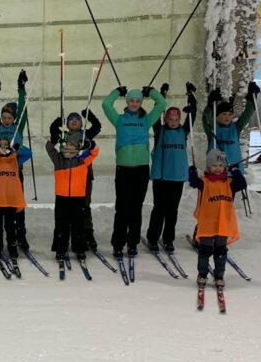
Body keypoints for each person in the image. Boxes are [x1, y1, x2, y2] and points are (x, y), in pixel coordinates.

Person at [102, 84, 166, 258]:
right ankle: (118, 243)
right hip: (123, 169)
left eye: (138, 100)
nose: (135, 103)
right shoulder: (119, 119)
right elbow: (106, 105)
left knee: (136, 209)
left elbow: (161, 104)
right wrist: (117, 92)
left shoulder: (146, 120)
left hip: (141, 169)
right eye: (131, 100)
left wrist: (151, 92)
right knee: (122, 208)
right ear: (127, 101)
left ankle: (132, 243)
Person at [146, 83, 197, 252]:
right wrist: (162, 94)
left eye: (176, 119)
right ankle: (153, 238)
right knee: (159, 209)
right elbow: (157, 112)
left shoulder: (183, 132)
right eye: (170, 119)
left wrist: (191, 99)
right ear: (166, 119)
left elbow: (193, 116)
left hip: (177, 177)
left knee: (172, 211)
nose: (173, 122)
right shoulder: (160, 131)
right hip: (161, 177)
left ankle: (168, 239)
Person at [188, 149, 246, 287]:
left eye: (221, 165)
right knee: (205, 250)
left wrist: (236, 171)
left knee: (220, 250)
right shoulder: (204, 182)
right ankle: (202, 274)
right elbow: (193, 182)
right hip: (207, 222)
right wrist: (191, 173)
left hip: (223, 223)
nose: (218, 168)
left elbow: (242, 184)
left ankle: (219, 275)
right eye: (214, 165)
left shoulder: (229, 183)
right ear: (209, 167)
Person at [0, 70, 30, 249]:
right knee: (0, 205)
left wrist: (21, 88)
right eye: (4, 117)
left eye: (9, 118)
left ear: (14, 118)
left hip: (15, 172)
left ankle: (20, 234)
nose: (6, 120)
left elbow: (23, 109)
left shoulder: (18, 126)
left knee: (17, 205)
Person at [45, 131, 99, 263]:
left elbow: (95, 151)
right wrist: (53, 139)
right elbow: (49, 148)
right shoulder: (58, 160)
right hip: (62, 198)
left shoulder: (82, 161)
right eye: (66, 145)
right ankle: (60, 249)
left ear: (78, 148)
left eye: (72, 145)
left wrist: (89, 144)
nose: (68, 147)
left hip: (78, 198)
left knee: (78, 225)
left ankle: (79, 248)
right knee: (61, 224)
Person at [61, 106, 101, 250]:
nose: (74, 121)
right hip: (67, 177)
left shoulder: (86, 135)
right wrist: (57, 122)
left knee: (84, 206)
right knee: (69, 207)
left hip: (84, 177)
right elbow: (53, 136)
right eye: (71, 120)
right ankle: (72, 232)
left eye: (77, 120)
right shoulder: (63, 136)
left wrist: (89, 115)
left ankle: (88, 232)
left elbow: (97, 126)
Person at [202, 82, 259, 174]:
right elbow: (206, 117)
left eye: (229, 114)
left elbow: (247, 114)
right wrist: (210, 104)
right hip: (216, 173)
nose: (227, 117)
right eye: (223, 114)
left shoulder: (236, 127)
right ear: (217, 116)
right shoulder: (213, 128)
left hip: (235, 172)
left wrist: (251, 98)